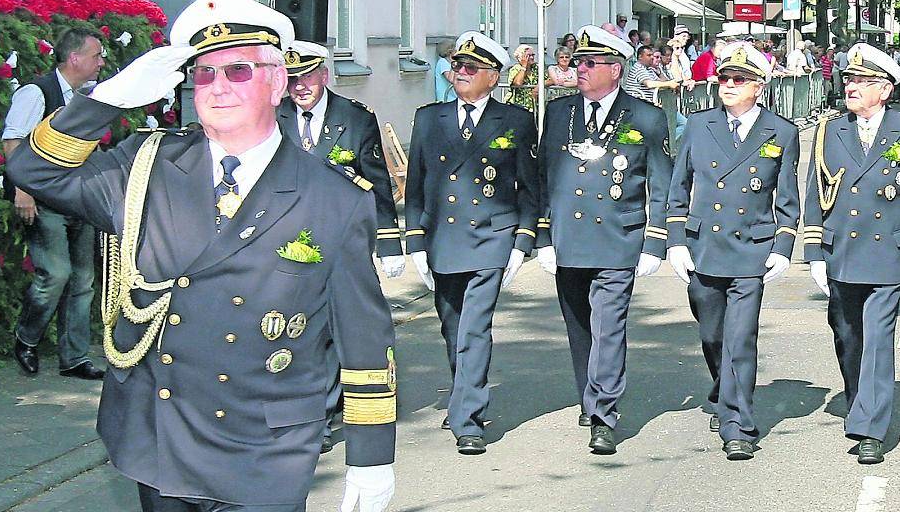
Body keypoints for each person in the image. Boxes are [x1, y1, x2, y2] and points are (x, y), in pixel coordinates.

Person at [7, 0, 397, 510]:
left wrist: (371, 458)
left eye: (238, 70)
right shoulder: (148, 167)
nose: (217, 87)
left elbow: (365, 337)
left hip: (266, 450)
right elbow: (34, 171)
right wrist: (107, 100)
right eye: (204, 73)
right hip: (161, 437)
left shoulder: (334, 198)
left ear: (277, 81)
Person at [535, 25, 672, 455]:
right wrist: (543, 236)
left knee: (608, 327)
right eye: (579, 61)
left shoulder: (645, 117)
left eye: (590, 63)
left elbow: (661, 183)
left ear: (616, 69)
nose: (581, 69)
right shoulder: (560, 114)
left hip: (618, 238)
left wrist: (655, 241)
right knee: (579, 327)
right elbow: (545, 179)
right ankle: (588, 394)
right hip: (569, 238)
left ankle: (603, 414)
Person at [404, 31, 538, 455]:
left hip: (491, 236)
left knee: (475, 327)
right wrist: (415, 241)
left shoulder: (514, 120)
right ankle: (464, 391)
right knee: (451, 324)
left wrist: (523, 239)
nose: (460, 73)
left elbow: (528, 186)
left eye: (470, 68)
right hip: (443, 236)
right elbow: (416, 185)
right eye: (457, 66)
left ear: (493, 77)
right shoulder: (430, 118)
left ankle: (468, 418)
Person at [667, 41, 801, 461]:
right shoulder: (700, 125)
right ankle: (723, 389)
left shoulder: (781, 132)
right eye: (723, 78)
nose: (727, 85)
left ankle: (738, 425)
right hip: (704, 245)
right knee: (712, 334)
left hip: (750, 248)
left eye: (738, 80)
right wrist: (675, 241)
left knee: (740, 338)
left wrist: (782, 245)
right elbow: (678, 188)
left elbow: (787, 200)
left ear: (758, 86)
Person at [803, 43, 900, 465]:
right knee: (847, 336)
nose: (851, 87)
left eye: (862, 81)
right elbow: (814, 191)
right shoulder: (829, 130)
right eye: (849, 80)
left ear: (886, 89)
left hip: (888, 249)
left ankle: (870, 427)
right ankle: (861, 398)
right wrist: (814, 251)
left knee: (877, 339)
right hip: (841, 249)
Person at [277, 40, 406, 454]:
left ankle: (325, 411)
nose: (300, 87)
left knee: (333, 329)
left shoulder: (354, 118)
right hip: (283, 243)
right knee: (294, 329)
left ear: (324, 75)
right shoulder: (272, 116)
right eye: (292, 79)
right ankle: (300, 409)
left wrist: (389, 243)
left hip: (339, 242)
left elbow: (376, 181)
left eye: (307, 77)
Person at [3, 27, 106, 380]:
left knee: (83, 281)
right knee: (56, 274)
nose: (101, 62)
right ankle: (26, 337)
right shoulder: (36, 92)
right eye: (97, 55)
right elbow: (13, 142)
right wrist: (23, 191)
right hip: (45, 199)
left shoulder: (87, 95)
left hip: (80, 199)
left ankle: (74, 359)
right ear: (75, 58)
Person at [505, 44, 540, 112]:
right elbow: (518, 83)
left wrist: (538, 87)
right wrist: (524, 66)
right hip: (517, 105)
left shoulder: (536, 68)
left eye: (533, 55)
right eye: (528, 55)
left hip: (533, 106)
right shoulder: (516, 68)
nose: (532, 57)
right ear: (520, 57)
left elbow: (550, 79)